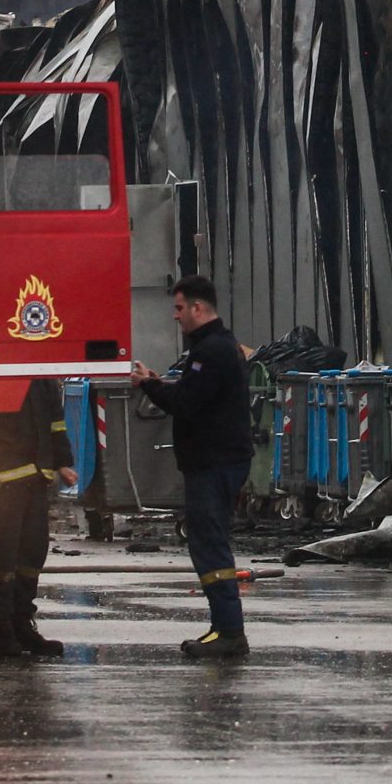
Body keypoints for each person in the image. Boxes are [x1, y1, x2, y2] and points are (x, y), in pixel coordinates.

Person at [131, 275, 254, 659]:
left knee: (210, 545)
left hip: (213, 463)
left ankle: (230, 631)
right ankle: (223, 627)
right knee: (208, 543)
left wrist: (150, 386)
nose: (175, 316)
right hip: (218, 461)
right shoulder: (217, 347)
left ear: (198, 309)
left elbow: (187, 402)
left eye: (180, 308)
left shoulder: (211, 352)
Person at [0, 378, 76, 658]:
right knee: (3, 553)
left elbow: (55, 420)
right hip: (2, 478)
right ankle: (1, 629)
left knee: (33, 551)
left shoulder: (42, 374)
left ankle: (22, 623)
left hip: (36, 474)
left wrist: (62, 461)